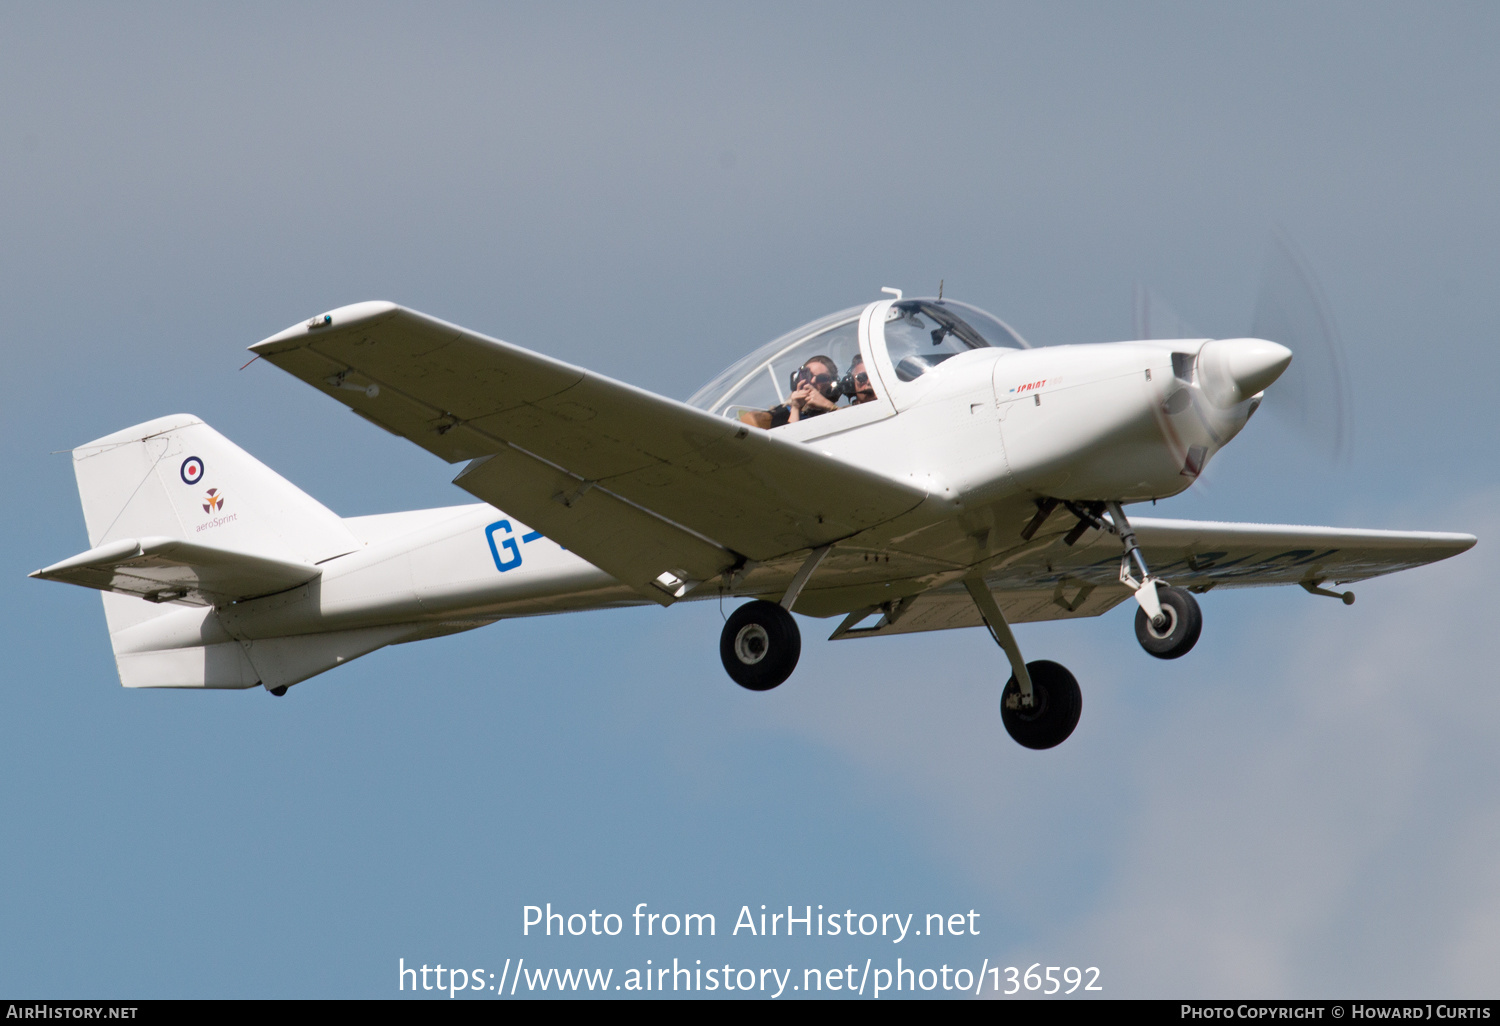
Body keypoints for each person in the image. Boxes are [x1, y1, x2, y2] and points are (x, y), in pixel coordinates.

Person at [739, 355, 842, 428]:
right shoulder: (781, 414)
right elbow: (790, 443)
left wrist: (828, 405)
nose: (813, 381)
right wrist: (796, 408)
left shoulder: (833, 412)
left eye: (822, 378)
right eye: (808, 375)